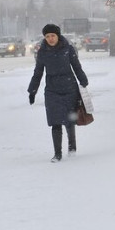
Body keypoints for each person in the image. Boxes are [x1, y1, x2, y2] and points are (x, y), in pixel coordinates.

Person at [28, 24, 89, 163]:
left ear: (58, 36)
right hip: (52, 90)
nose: (50, 38)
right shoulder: (42, 52)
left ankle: (72, 148)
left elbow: (76, 66)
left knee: (69, 120)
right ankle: (57, 154)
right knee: (55, 121)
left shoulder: (68, 48)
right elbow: (38, 73)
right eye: (47, 36)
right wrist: (32, 91)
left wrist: (83, 81)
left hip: (69, 89)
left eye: (53, 36)